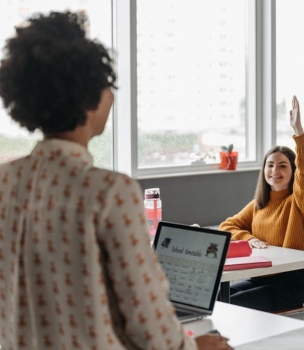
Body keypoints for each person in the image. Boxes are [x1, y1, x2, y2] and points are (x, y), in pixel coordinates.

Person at [0, 11, 230, 349]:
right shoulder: (109, 192)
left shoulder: (5, 181)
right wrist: (197, 346)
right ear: (89, 96)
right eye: (109, 84)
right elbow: (148, 322)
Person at [219, 95, 304, 312]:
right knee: (215, 297)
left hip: (289, 286)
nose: (275, 171)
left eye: (283, 166)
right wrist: (249, 238)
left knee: (230, 306)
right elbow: (227, 226)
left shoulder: (299, 202)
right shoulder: (259, 204)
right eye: (270, 165)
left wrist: (299, 133)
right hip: (260, 278)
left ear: (293, 171)